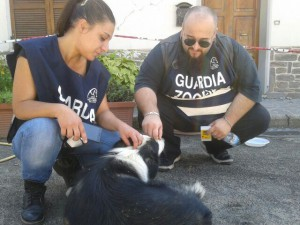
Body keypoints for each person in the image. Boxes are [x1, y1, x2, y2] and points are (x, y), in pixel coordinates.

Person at [9, 0, 143, 224]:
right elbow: (21, 107)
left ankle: (73, 169)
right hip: (34, 138)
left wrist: (122, 127)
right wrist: (59, 110)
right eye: (103, 37)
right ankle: (34, 189)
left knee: (127, 146)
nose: (106, 47)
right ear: (82, 26)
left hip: (78, 137)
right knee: (45, 127)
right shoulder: (34, 53)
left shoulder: (98, 71)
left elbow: (102, 114)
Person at [134, 6, 270, 171]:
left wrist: (228, 121)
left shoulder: (231, 49)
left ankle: (215, 146)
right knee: (148, 108)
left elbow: (251, 87)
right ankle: (170, 150)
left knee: (260, 117)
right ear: (182, 30)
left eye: (204, 41)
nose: (196, 47)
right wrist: (151, 114)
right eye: (189, 40)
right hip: (180, 119)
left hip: (216, 123)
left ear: (214, 34)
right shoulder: (165, 49)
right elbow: (145, 83)